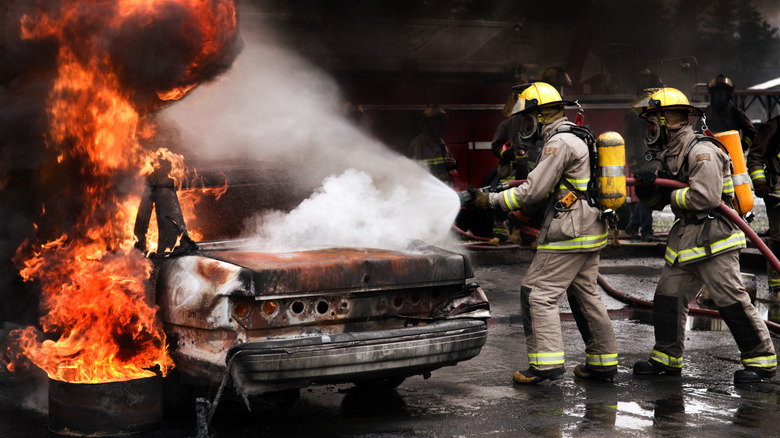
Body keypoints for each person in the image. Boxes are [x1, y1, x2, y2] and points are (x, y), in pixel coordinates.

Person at [469, 82, 618, 384]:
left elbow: (531, 192)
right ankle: (602, 361)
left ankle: (544, 364)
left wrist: (491, 201)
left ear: (541, 116)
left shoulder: (558, 143)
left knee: (537, 293)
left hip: (569, 232)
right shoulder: (576, 135)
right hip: (589, 227)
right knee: (585, 294)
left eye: (527, 119)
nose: (525, 126)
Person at [630, 87, 776, 384]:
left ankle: (761, 360)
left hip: (716, 239)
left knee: (730, 300)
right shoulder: (671, 153)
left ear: (667, 121)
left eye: (651, 123)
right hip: (687, 240)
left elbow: (705, 198)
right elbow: (658, 201)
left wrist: (668, 195)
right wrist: (647, 191)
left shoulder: (702, 151)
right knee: (668, 296)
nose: (648, 130)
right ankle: (667, 357)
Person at [623, 72, 665, 241]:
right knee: (648, 192)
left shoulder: (653, 111)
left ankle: (633, 226)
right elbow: (629, 140)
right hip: (642, 161)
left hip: (653, 159)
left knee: (649, 193)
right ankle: (646, 230)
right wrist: (633, 165)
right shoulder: (634, 113)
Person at [746, 115, 780, 297]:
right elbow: (755, 157)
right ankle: (777, 289)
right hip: (777, 197)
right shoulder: (774, 127)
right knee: (778, 242)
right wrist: (760, 183)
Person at [699, 74, 756, 152]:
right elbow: (696, 135)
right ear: (713, 94)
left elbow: (751, 133)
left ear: (728, 95)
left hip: (732, 155)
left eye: (722, 93)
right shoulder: (704, 115)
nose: (720, 96)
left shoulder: (736, 113)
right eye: (718, 93)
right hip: (711, 155)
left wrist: (742, 145)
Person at [408, 105, 457, 186]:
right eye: (433, 121)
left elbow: (448, 160)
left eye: (438, 121)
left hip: (444, 185)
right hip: (429, 187)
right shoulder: (418, 142)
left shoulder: (440, 142)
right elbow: (414, 169)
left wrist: (453, 163)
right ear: (426, 123)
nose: (436, 124)